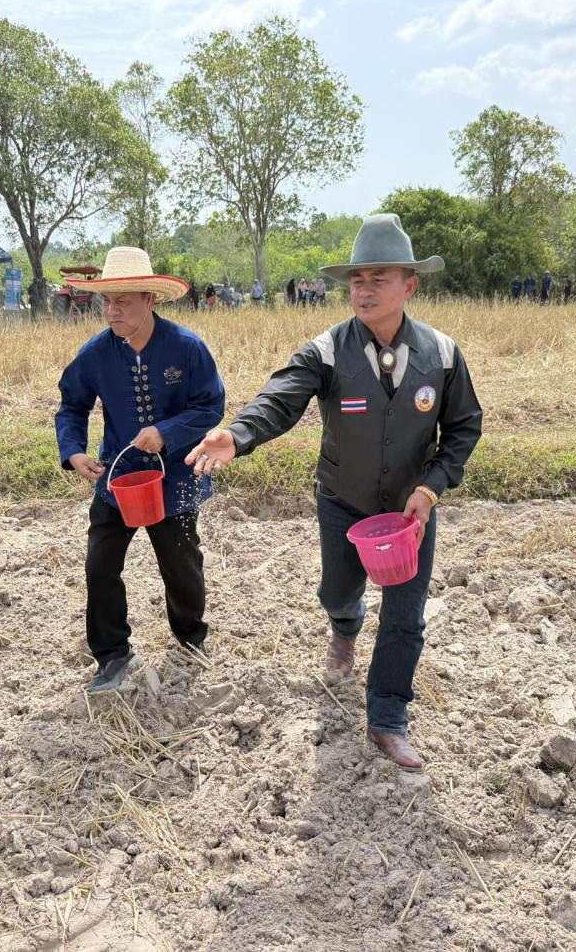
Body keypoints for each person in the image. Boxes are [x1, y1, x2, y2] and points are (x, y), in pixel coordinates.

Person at [187, 214, 483, 770]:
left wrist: (432, 486)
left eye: (378, 278)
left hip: (410, 513)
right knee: (336, 593)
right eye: (356, 280)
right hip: (342, 504)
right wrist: (239, 432)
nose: (364, 290)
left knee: (406, 615)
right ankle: (345, 627)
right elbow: (282, 396)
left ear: (409, 285)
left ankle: (388, 717)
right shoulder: (327, 350)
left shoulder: (442, 354)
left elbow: (464, 427)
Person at [55, 247, 226, 693]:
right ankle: (112, 655)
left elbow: (211, 406)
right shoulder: (94, 353)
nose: (111, 310)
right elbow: (71, 406)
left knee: (182, 563)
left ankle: (190, 638)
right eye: (107, 302)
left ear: (150, 300)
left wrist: (166, 431)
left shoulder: (186, 348)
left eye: (123, 301)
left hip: (177, 478)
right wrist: (73, 451)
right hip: (118, 478)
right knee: (100, 565)